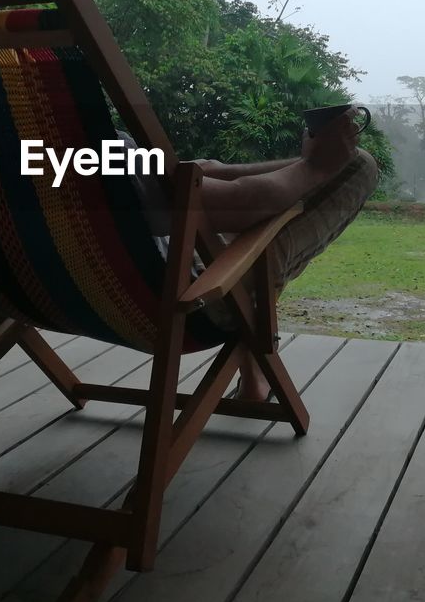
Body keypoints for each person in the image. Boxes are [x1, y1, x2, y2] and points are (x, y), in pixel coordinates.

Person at [139, 108, 379, 402]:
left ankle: (254, 375)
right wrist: (315, 169)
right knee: (359, 167)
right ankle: (256, 369)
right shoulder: (92, 147)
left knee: (252, 227)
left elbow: (185, 177)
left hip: (112, 297)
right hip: (191, 297)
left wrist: (310, 162)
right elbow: (241, 202)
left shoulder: (76, 157)